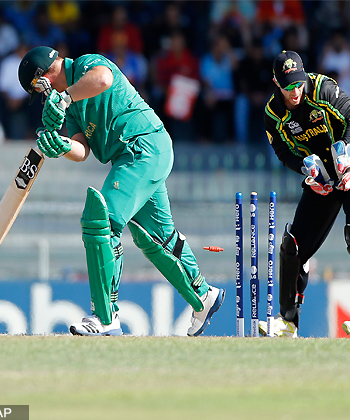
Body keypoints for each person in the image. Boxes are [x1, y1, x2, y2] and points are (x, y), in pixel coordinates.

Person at [18, 46, 225, 336]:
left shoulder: (87, 66)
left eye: (38, 89)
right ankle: (203, 295)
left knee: (100, 221)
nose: (42, 97)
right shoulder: (73, 104)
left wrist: (63, 100)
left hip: (142, 147)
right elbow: (82, 149)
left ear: (43, 78)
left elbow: (103, 79)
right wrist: (63, 146)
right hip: (135, 156)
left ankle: (105, 317)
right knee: (154, 237)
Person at [262, 51, 350, 339]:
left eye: (297, 84)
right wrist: (305, 169)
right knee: (292, 244)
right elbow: (283, 152)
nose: (294, 92)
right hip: (321, 178)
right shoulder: (273, 113)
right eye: (287, 86)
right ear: (275, 82)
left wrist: (345, 148)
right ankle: (287, 320)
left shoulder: (322, 88)